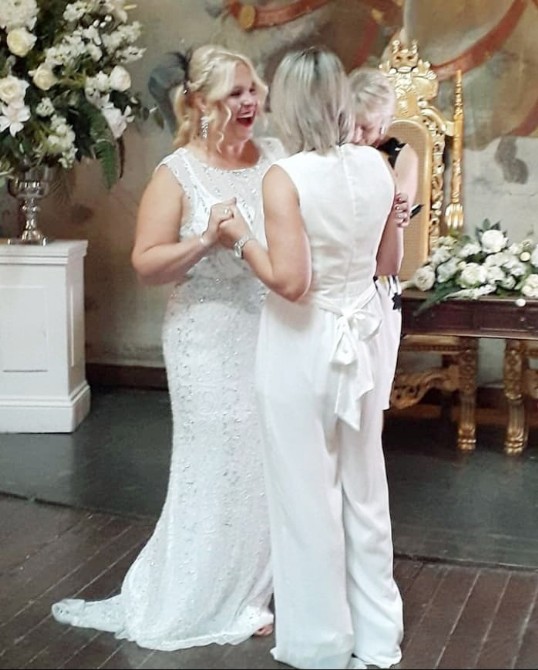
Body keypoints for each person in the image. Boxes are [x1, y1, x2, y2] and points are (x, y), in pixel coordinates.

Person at [51, 44, 286, 650]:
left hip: (269, 332)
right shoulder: (177, 172)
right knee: (213, 463)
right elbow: (147, 264)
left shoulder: (277, 161)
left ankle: (251, 588)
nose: (249, 101)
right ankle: (197, 592)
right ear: (201, 103)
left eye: (252, 88)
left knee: (263, 461)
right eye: (235, 92)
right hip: (204, 336)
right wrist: (207, 239)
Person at [218, 47, 404, 669]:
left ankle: (322, 645)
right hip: (362, 342)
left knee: (306, 497)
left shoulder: (285, 175)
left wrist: (238, 238)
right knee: (365, 491)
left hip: (303, 344)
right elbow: (386, 266)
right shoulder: (377, 167)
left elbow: (291, 282)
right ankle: (378, 640)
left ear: (291, 104)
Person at [349, 66, 419, 408]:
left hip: (378, 277)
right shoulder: (334, 155)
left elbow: (398, 208)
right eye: (354, 125)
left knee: (372, 392)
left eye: (368, 127)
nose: (360, 136)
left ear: (385, 122)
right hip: (340, 274)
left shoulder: (401, 156)